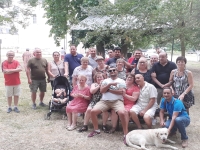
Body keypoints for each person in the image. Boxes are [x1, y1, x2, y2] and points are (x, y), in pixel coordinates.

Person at [88, 67, 128, 141]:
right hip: (104, 101)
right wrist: (110, 84)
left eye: (114, 70)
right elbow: (102, 91)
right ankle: (96, 130)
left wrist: (108, 90)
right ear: (108, 72)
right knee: (93, 112)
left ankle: (126, 134)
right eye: (110, 71)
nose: (112, 71)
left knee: (122, 113)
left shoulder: (121, 81)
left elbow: (121, 92)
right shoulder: (105, 81)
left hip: (117, 101)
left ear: (117, 71)